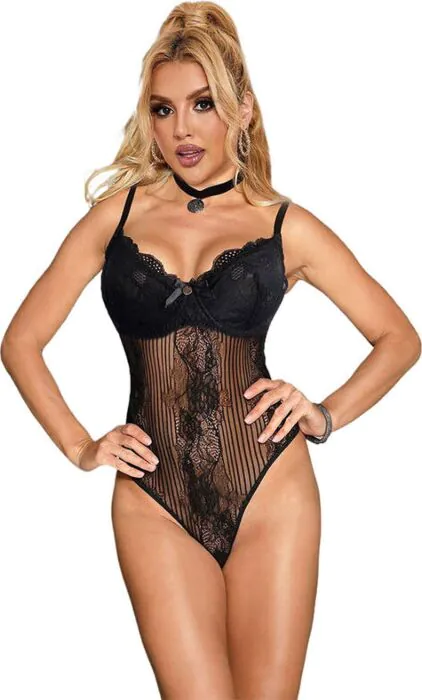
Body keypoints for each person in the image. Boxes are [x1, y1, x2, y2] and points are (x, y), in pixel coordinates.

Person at [1, 2, 420, 699]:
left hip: (271, 491)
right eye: (163, 110)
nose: (182, 130)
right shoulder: (117, 216)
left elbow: (399, 338)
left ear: (242, 109)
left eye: (202, 104)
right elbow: (21, 340)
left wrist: (323, 413)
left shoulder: (284, 226)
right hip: (153, 497)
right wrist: (80, 446)